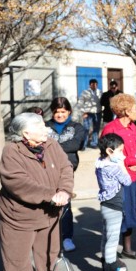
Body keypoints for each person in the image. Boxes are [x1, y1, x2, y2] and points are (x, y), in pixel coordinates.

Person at [0, 113, 73, 271]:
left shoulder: (51, 145)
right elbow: (18, 183)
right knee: (17, 256)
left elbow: (66, 167)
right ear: (25, 133)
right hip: (20, 215)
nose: (46, 130)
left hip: (50, 211)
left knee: (49, 251)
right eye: (40, 127)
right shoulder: (11, 151)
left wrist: (64, 190)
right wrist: (51, 195)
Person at [101, 93, 136, 260]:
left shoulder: (132, 127)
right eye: (135, 108)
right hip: (119, 179)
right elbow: (107, 155)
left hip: (134, 176)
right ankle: (109, 256)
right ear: (127, 111)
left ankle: (127, 249)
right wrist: (131, 161)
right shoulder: (111, 129)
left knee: (129, 214)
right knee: (118, 216)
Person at [46, 97, 86, 253]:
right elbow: (40, 146)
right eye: (57, 112)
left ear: (69, 111)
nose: (60, 115)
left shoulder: (77, 127)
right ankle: (49, 236)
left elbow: (75, 144)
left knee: (65, 202)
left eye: (63, 112)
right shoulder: (44, 126)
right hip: (46, 170)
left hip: (67, 170)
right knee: (47, 202)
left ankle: (67, 237)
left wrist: (52, 146)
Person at [96, 133, 133, 271]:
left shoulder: (100, 163)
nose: (122, 154)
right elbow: (128, 181)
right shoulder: (113, 168)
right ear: (110, 151)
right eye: (120, 151)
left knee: (106, 238)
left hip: (105, 205)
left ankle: (108, 266)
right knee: (112, 243)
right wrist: (122, 165)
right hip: (114, 208)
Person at [78, 78, 102, 149]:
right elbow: (80, 103)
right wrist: (83, 112)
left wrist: (101, 110)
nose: (94, 86)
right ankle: (84, 144)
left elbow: (102, 102)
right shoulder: (85, 92)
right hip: (88, 113)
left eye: (96, 84)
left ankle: (94, 143)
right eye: (93, 84)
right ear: (90, 85)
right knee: (86, 129)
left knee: (96, 129)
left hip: (97, 113)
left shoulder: (100, 92)